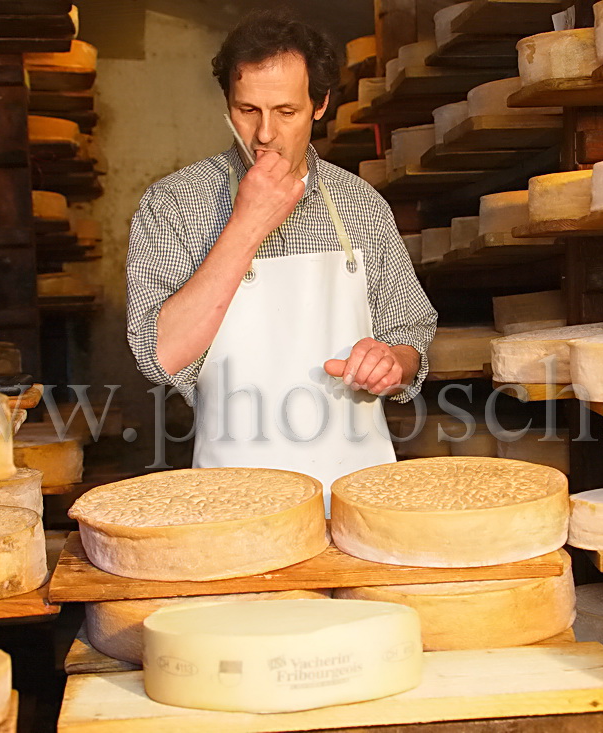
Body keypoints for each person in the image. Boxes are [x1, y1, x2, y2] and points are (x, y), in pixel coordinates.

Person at [126, 11, 437, 504]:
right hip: (234, 501)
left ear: (320, 104)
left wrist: (390, 361)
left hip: (356, 495)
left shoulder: (360, 204)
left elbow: (409, 334)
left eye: (286, 111)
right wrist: (246, 223)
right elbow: (161, 355)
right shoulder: (174, 204)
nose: (264, 134)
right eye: (247, 110)